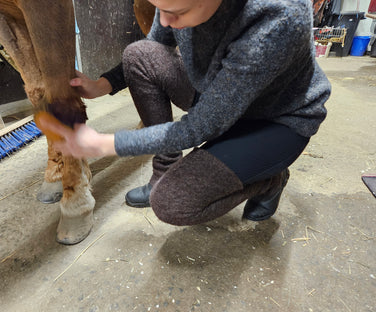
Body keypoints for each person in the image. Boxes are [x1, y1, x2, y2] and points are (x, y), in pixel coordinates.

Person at [39, 0, 331, 225]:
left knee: (172, 204)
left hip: (275, 120)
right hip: (218, 94)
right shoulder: (176, 7)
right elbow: (154, 44)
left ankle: (269, 180)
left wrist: (106, 144)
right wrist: (101, 85)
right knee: (138, 55)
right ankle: (163, 171)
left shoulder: (279, 17)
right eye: (160, 8)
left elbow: (200, 127)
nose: (165, 21)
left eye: (177, 12)